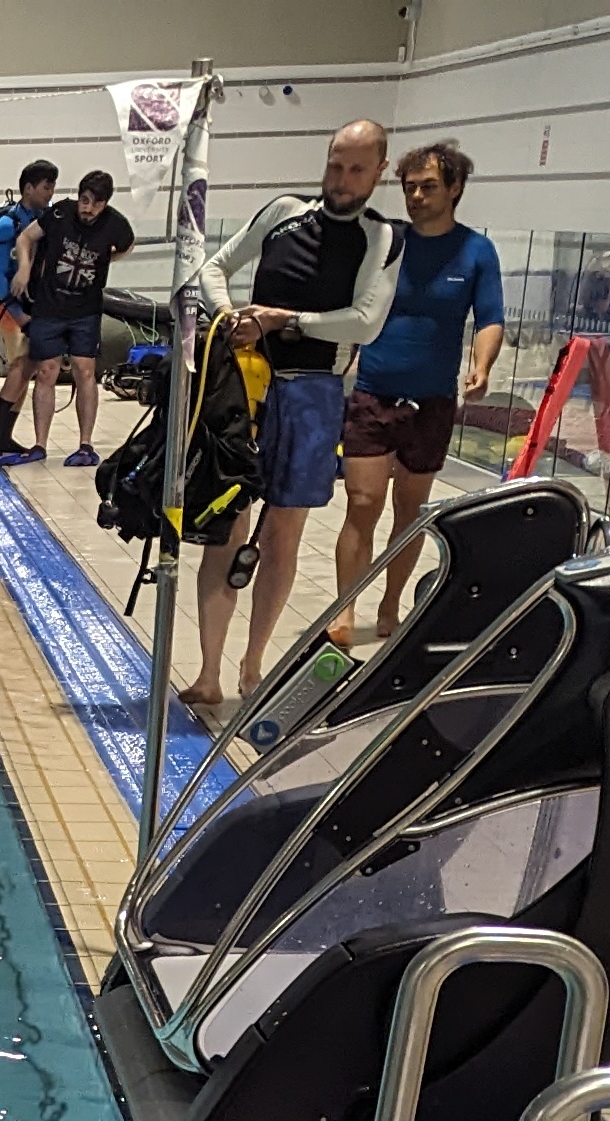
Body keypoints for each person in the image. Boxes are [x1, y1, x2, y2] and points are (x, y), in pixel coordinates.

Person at [178, 121, 398, 711]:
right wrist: (231, 319)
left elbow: (366, 321)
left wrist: (285, 319)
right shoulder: (283, 213)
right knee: (226, 524)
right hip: (245, 385)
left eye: (356, 169)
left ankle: (252, 667)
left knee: (282, 534)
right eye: (335, 166)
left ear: (380, 171)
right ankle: (207, 672)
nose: (342, 181)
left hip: (314, 393)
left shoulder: (382, 238)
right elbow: (213, 268)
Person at [329, 140, 506, 646]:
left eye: (429, 187)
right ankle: (346, 608)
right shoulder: (386, 243)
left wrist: (481, 364)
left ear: (455, 190)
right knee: (362, 502)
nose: (417, 197)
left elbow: (490, 317)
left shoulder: (476, 251)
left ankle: (390, 603)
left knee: (410, 511)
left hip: (431, 401)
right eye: (410, 188)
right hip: (373, 392)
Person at [0, 173, 135, 468]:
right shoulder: (60, 212)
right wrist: (24, 268)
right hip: (50, 306)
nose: (88, 209)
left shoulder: (115, 224)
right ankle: (39, 444)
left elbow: (127, 244)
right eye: (85, 201)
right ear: (79, 196)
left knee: (85, 371)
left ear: (105, 204)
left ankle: (85, 444)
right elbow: (25, 237)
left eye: (96, 205)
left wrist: (106, 260)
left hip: (85, 309)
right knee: (46, 372)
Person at [0, 163, 60, 458]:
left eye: (52, 186)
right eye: (46, 186)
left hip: (35, 304)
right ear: (29, 188)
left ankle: (2, 431)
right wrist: (18, 313)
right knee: (21, 364)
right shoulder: (8, 225)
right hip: (12, 305)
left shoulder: (43, 220)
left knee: (28, 366)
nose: (51, 193)